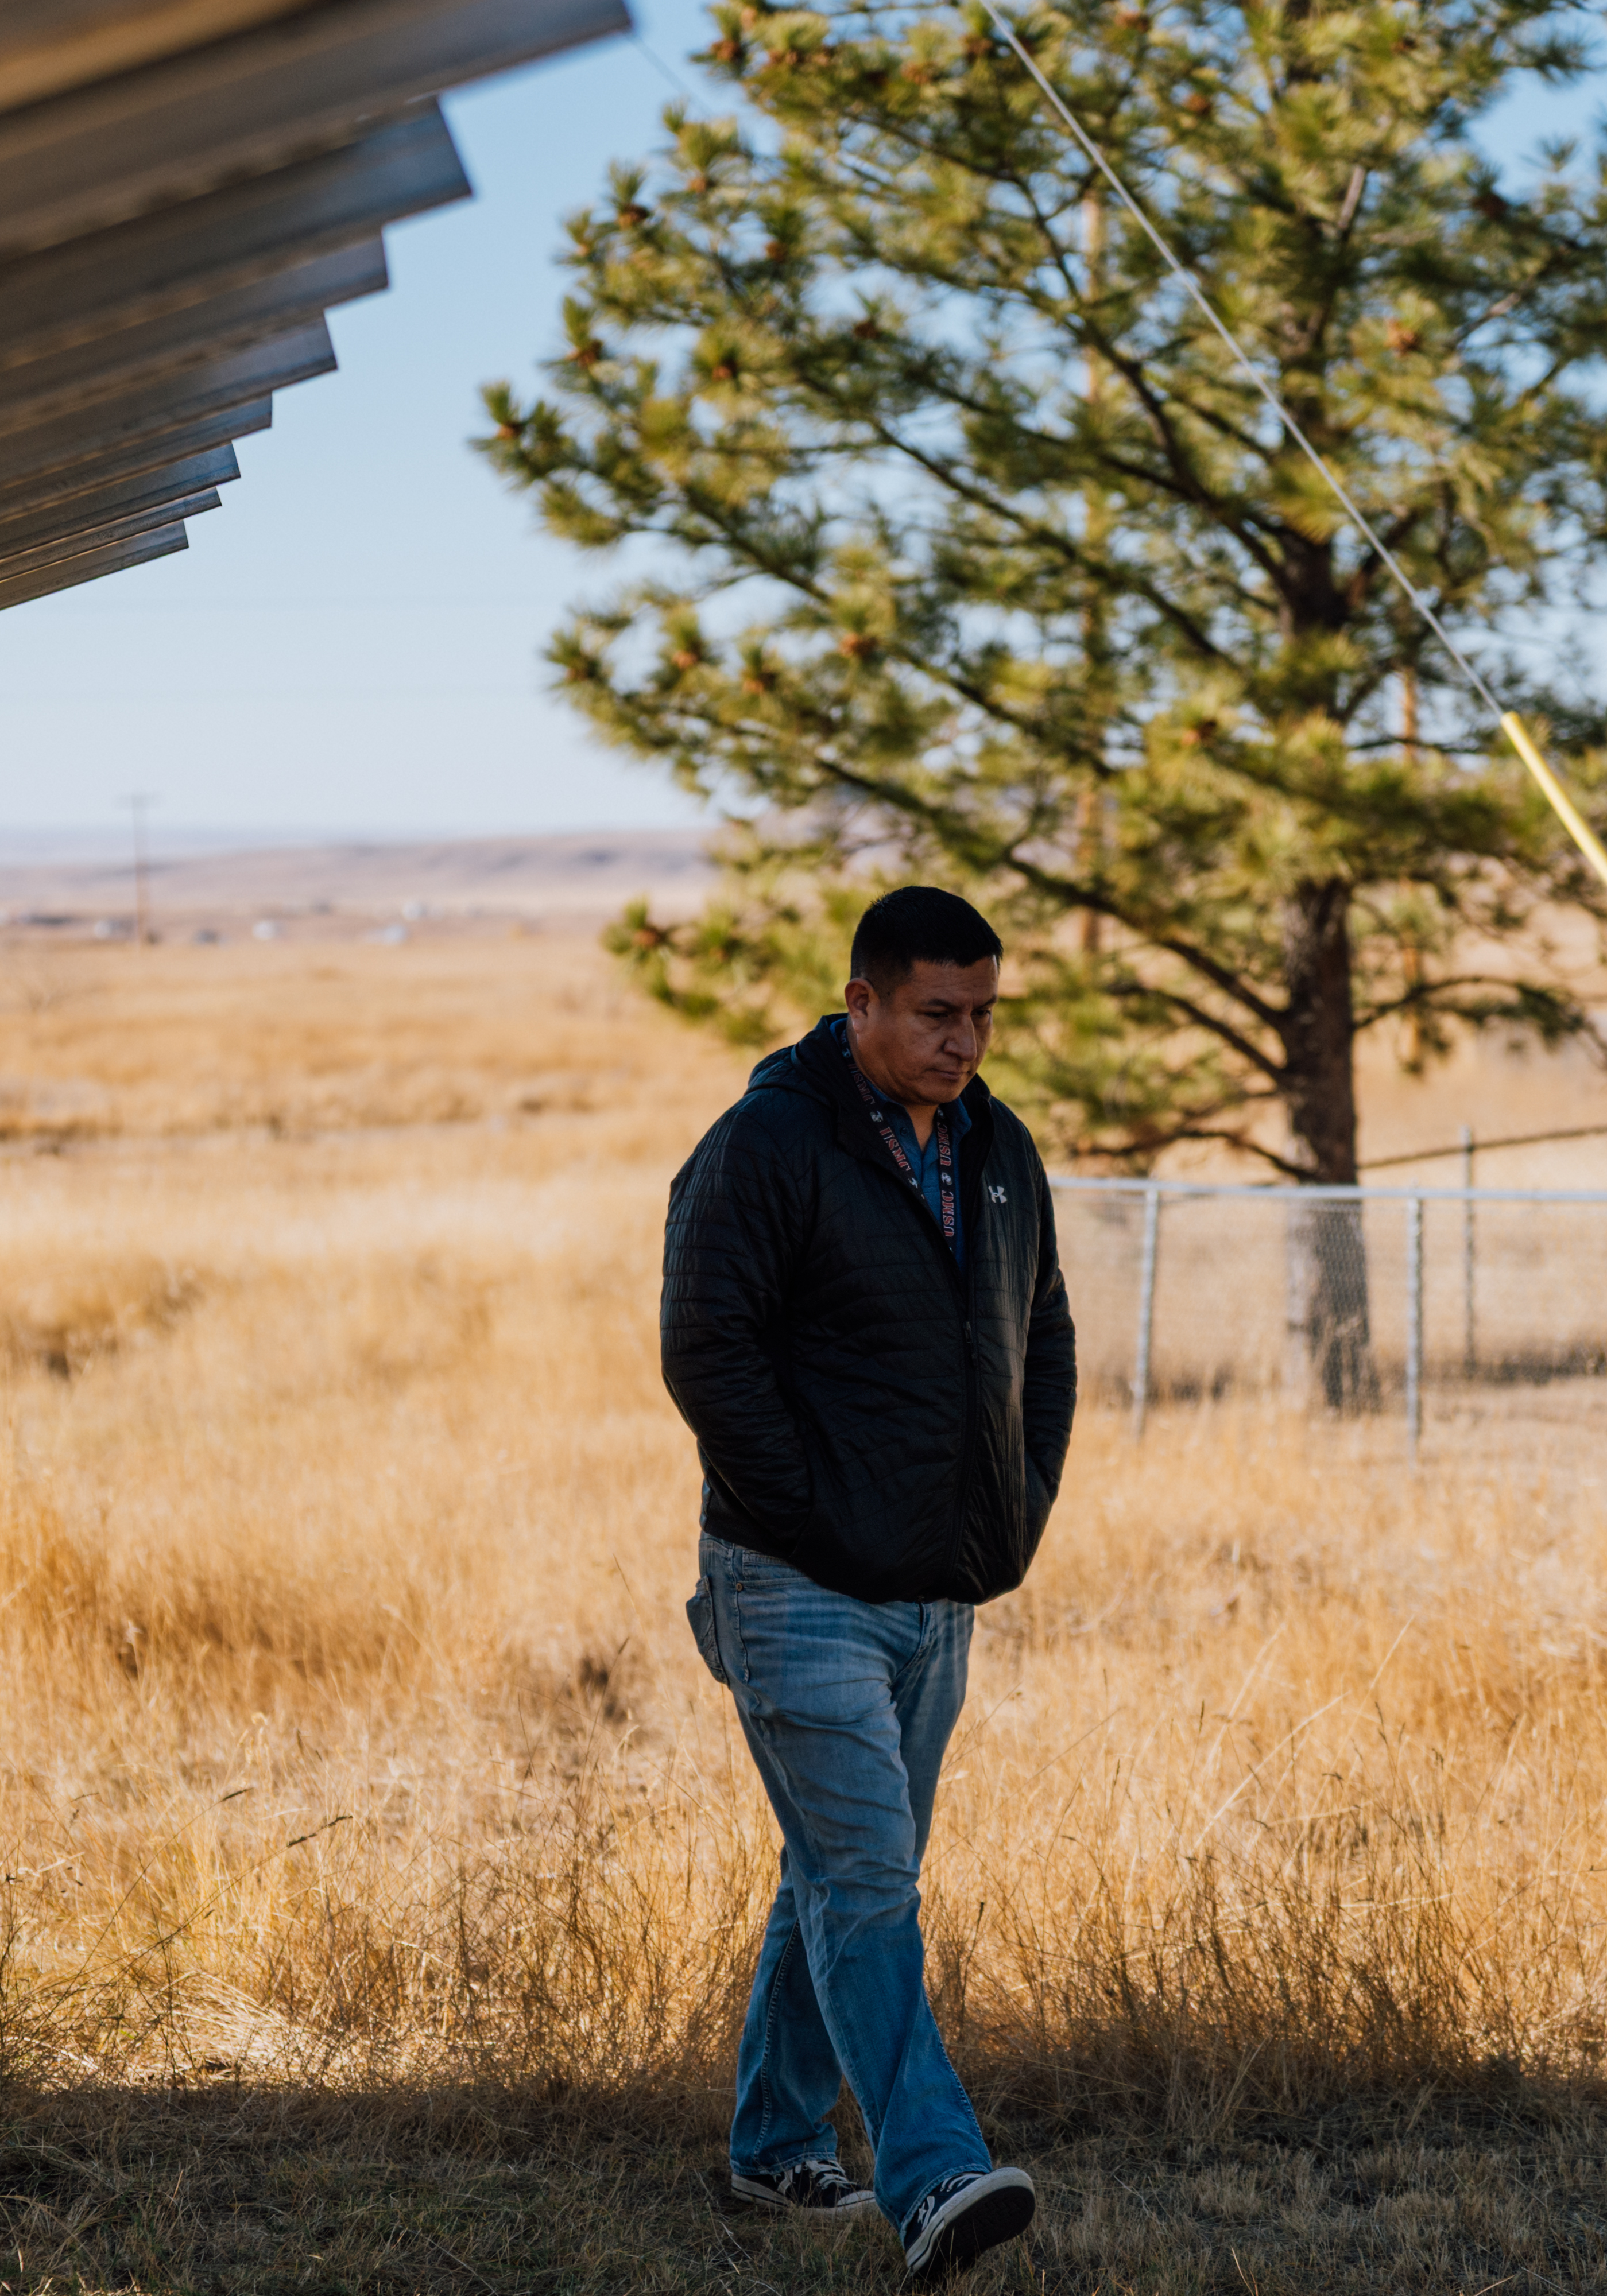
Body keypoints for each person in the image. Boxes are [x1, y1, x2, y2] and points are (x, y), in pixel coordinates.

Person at [660, 885, 1077, 2282]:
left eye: (982, 1014)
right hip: (794, 1584)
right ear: (863, 1005)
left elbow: (1045, 1342)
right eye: (935, 1013)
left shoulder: (1000, 1148)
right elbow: (706, 1348)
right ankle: (938, 2173)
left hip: (936, 1590)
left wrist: (1010, 1510)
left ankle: (778, 2142)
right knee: (867, 1873)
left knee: (843, 1876)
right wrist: (814, 1516)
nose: (963, 1042)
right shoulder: (769, 1144)